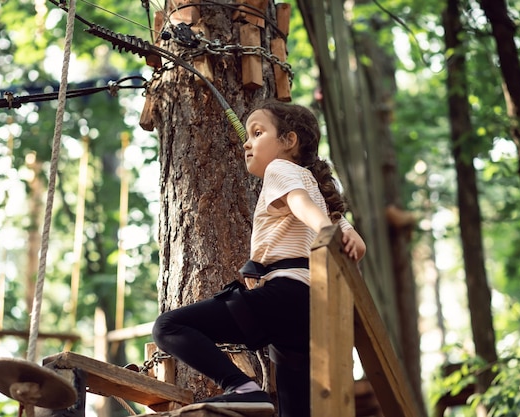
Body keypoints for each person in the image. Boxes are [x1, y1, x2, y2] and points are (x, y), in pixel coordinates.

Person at [152, 101, 366, 417]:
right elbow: (357, 245)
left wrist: (324, 232)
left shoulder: (281, 169)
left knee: (168, 326)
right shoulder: (323, 196)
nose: (247, 142)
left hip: (287, 297)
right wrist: (336, 231)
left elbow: (297, 201)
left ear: (289, 141)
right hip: (312, 314)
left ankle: (242, 388)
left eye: (258, 132)